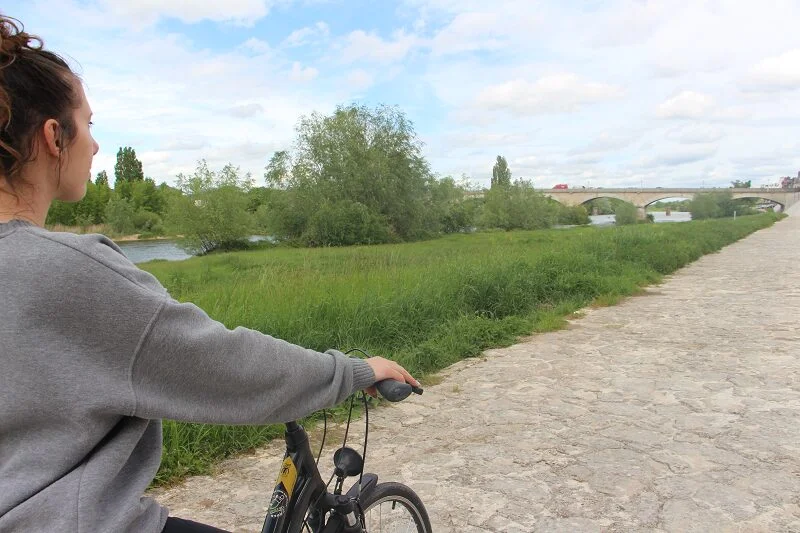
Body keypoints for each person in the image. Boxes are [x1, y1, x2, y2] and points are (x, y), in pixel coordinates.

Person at [0, 14, 419, 533]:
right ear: (53, 137)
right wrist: (353, 372)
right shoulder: (69, 271)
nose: (95, 145)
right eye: (88, 124)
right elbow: (224, 366)